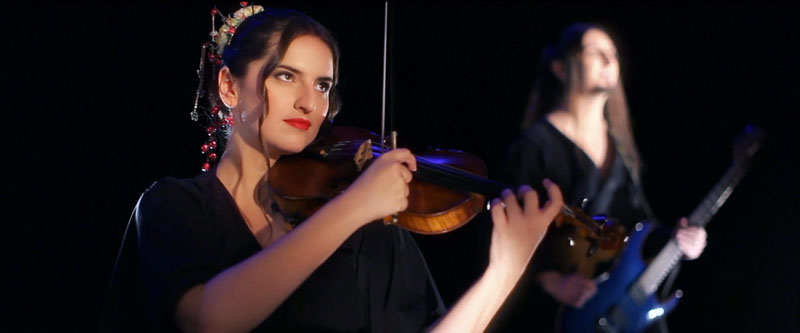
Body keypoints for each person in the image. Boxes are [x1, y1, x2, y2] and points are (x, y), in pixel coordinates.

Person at [104, 5, 565, 332]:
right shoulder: (175, 206)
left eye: (323, 85)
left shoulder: (373, 226)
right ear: (228, 85)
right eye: (286, 75)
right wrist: (354, 205)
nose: (310, 101)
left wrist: (504, 271)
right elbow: (211, 319)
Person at [494, 23, 707, 332]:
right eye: (595, 52)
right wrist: (550, 280)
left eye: (613, 54)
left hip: (616, 309)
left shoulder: (621, 149)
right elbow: (503, 230)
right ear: (560, 67)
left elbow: (640, 226)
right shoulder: (535, 147)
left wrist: (682, 242)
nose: (609, 62)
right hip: (559, 314)